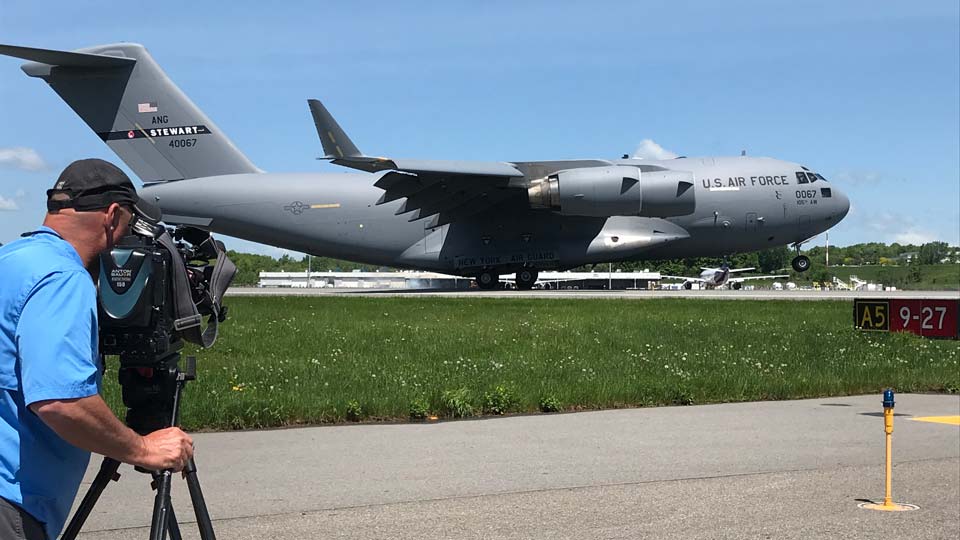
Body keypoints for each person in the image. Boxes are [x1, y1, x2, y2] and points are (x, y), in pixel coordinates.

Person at [0, 159, 194, 540]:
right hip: (13, 503)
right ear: (111, 216)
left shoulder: (12, 259)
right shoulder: (62, 278)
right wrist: (143, 449)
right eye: (127, 228)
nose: (124, 242)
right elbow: (61, 402)